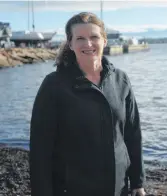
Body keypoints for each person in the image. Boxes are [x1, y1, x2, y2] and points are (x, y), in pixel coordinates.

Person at [29, 12, 145, 196]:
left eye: (94, 37)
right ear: (70, 43)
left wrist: (137, 181)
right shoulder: (54, 85)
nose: (88, 44)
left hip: (118, 187)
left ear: (104, 40)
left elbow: (132, 133)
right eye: (80, 38)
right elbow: (40, 149)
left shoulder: (120, 80)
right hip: (73, 189)